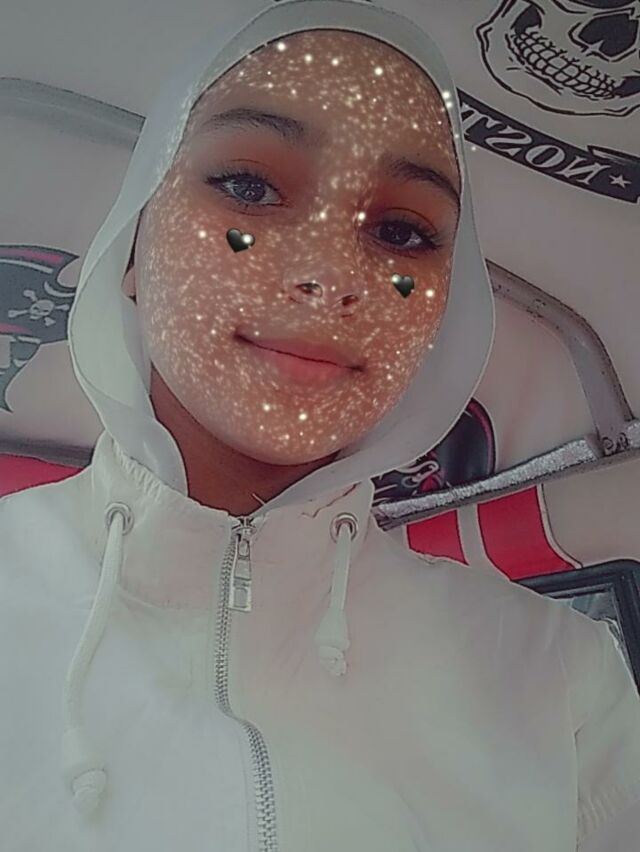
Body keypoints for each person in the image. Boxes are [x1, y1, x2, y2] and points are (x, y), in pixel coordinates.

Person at [1, 0, 639, 849]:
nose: (329, 274)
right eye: (248, 186)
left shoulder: (562, 681)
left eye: (403, 230)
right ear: (133, 246)